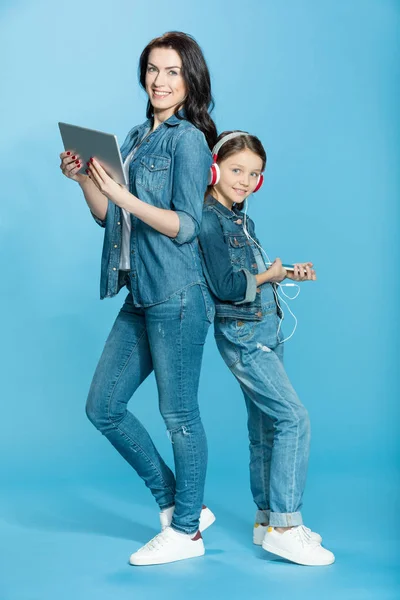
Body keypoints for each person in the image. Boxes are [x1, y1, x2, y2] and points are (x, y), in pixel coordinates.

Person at [59, 32, 217, 567]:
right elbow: (110, 218)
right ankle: (179, 503)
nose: (159, 80)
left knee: (179, 416)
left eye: (172, 71)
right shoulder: (133, 137)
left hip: (177, 294)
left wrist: (126, 195)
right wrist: (85, 180)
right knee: (102, 407)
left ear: (190, 79)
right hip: (141, 292)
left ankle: (187, 531)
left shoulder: (188, 140)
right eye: (152, 69)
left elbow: (187, 226)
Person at [198, 131, 335, 566]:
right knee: (294, 419)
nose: (244, 181)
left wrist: (286, 272)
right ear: (215, 168)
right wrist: (265, 277)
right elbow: (226, 286)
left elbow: (252, 272)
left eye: (253, 174)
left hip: (266, 328)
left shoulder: (240, 218)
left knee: (264, 428)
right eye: (236, 170)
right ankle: (286, 526)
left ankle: (264, 521)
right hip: (244, 335)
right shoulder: (208, 219)